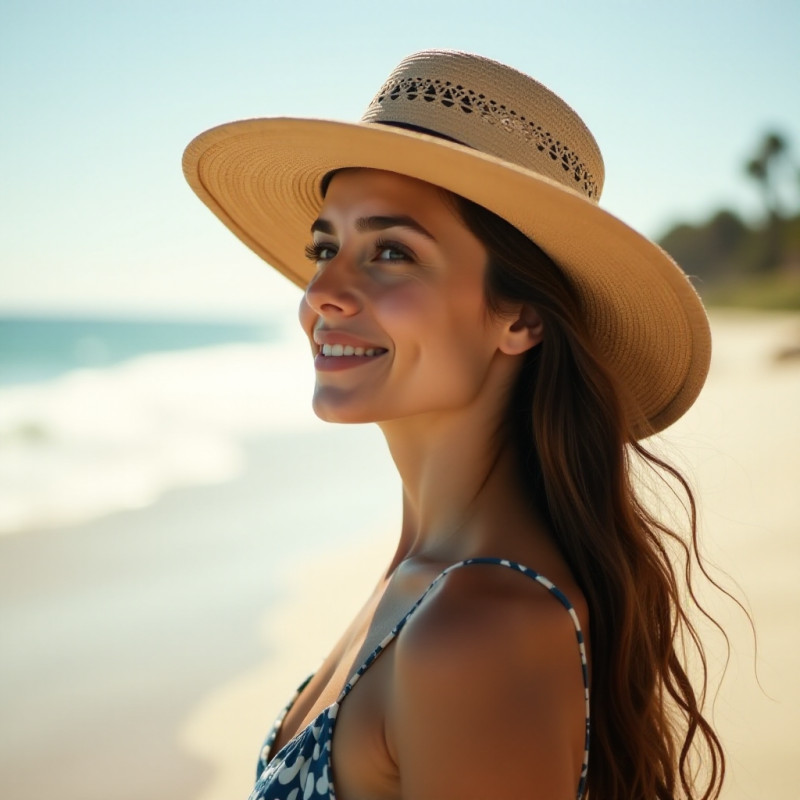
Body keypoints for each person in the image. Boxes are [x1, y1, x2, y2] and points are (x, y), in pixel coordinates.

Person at [183, 50, 725, 800]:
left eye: (392, 252)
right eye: (325, 248)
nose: (324, 293)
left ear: (520, 318)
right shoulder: (425, 575)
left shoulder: (479, 630)